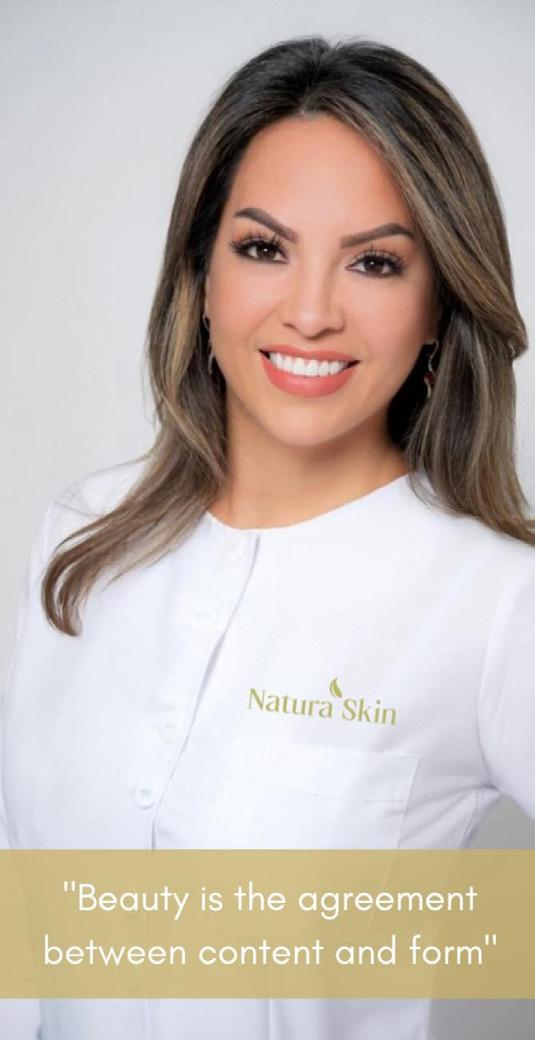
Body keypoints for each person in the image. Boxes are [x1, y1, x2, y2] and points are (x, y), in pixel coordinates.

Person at [1, 32, 534, 1040]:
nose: (310, 312)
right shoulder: (84, 538)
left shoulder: (497, 603)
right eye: (262, 248)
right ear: (201, 275)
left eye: (374, 262)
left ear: (436, 306)